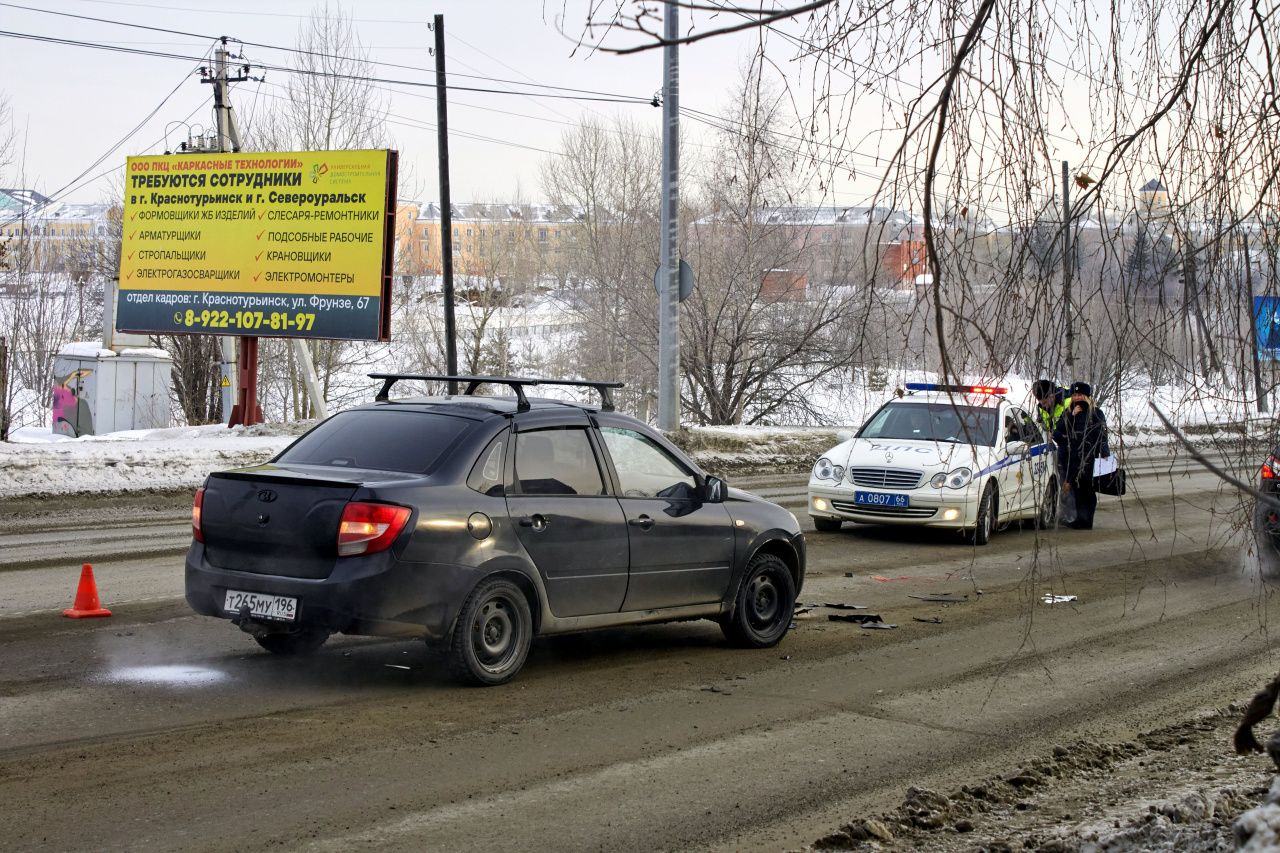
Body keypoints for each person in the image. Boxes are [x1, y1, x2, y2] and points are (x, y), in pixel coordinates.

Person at [1053, 381, 1110, 529]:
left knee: (1087, 489)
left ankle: (1086, 520)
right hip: (1072, 455)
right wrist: (1071, 416)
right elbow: (1058, 430)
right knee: (1076, 487)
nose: (1077, 398)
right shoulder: (1068, 412)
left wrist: (1105, 452)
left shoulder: (1096, 413)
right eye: (1074, 395)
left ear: (1086, 396)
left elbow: (1102, 435)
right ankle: (1080, 518)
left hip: (1089, 456)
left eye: (1080, 395)